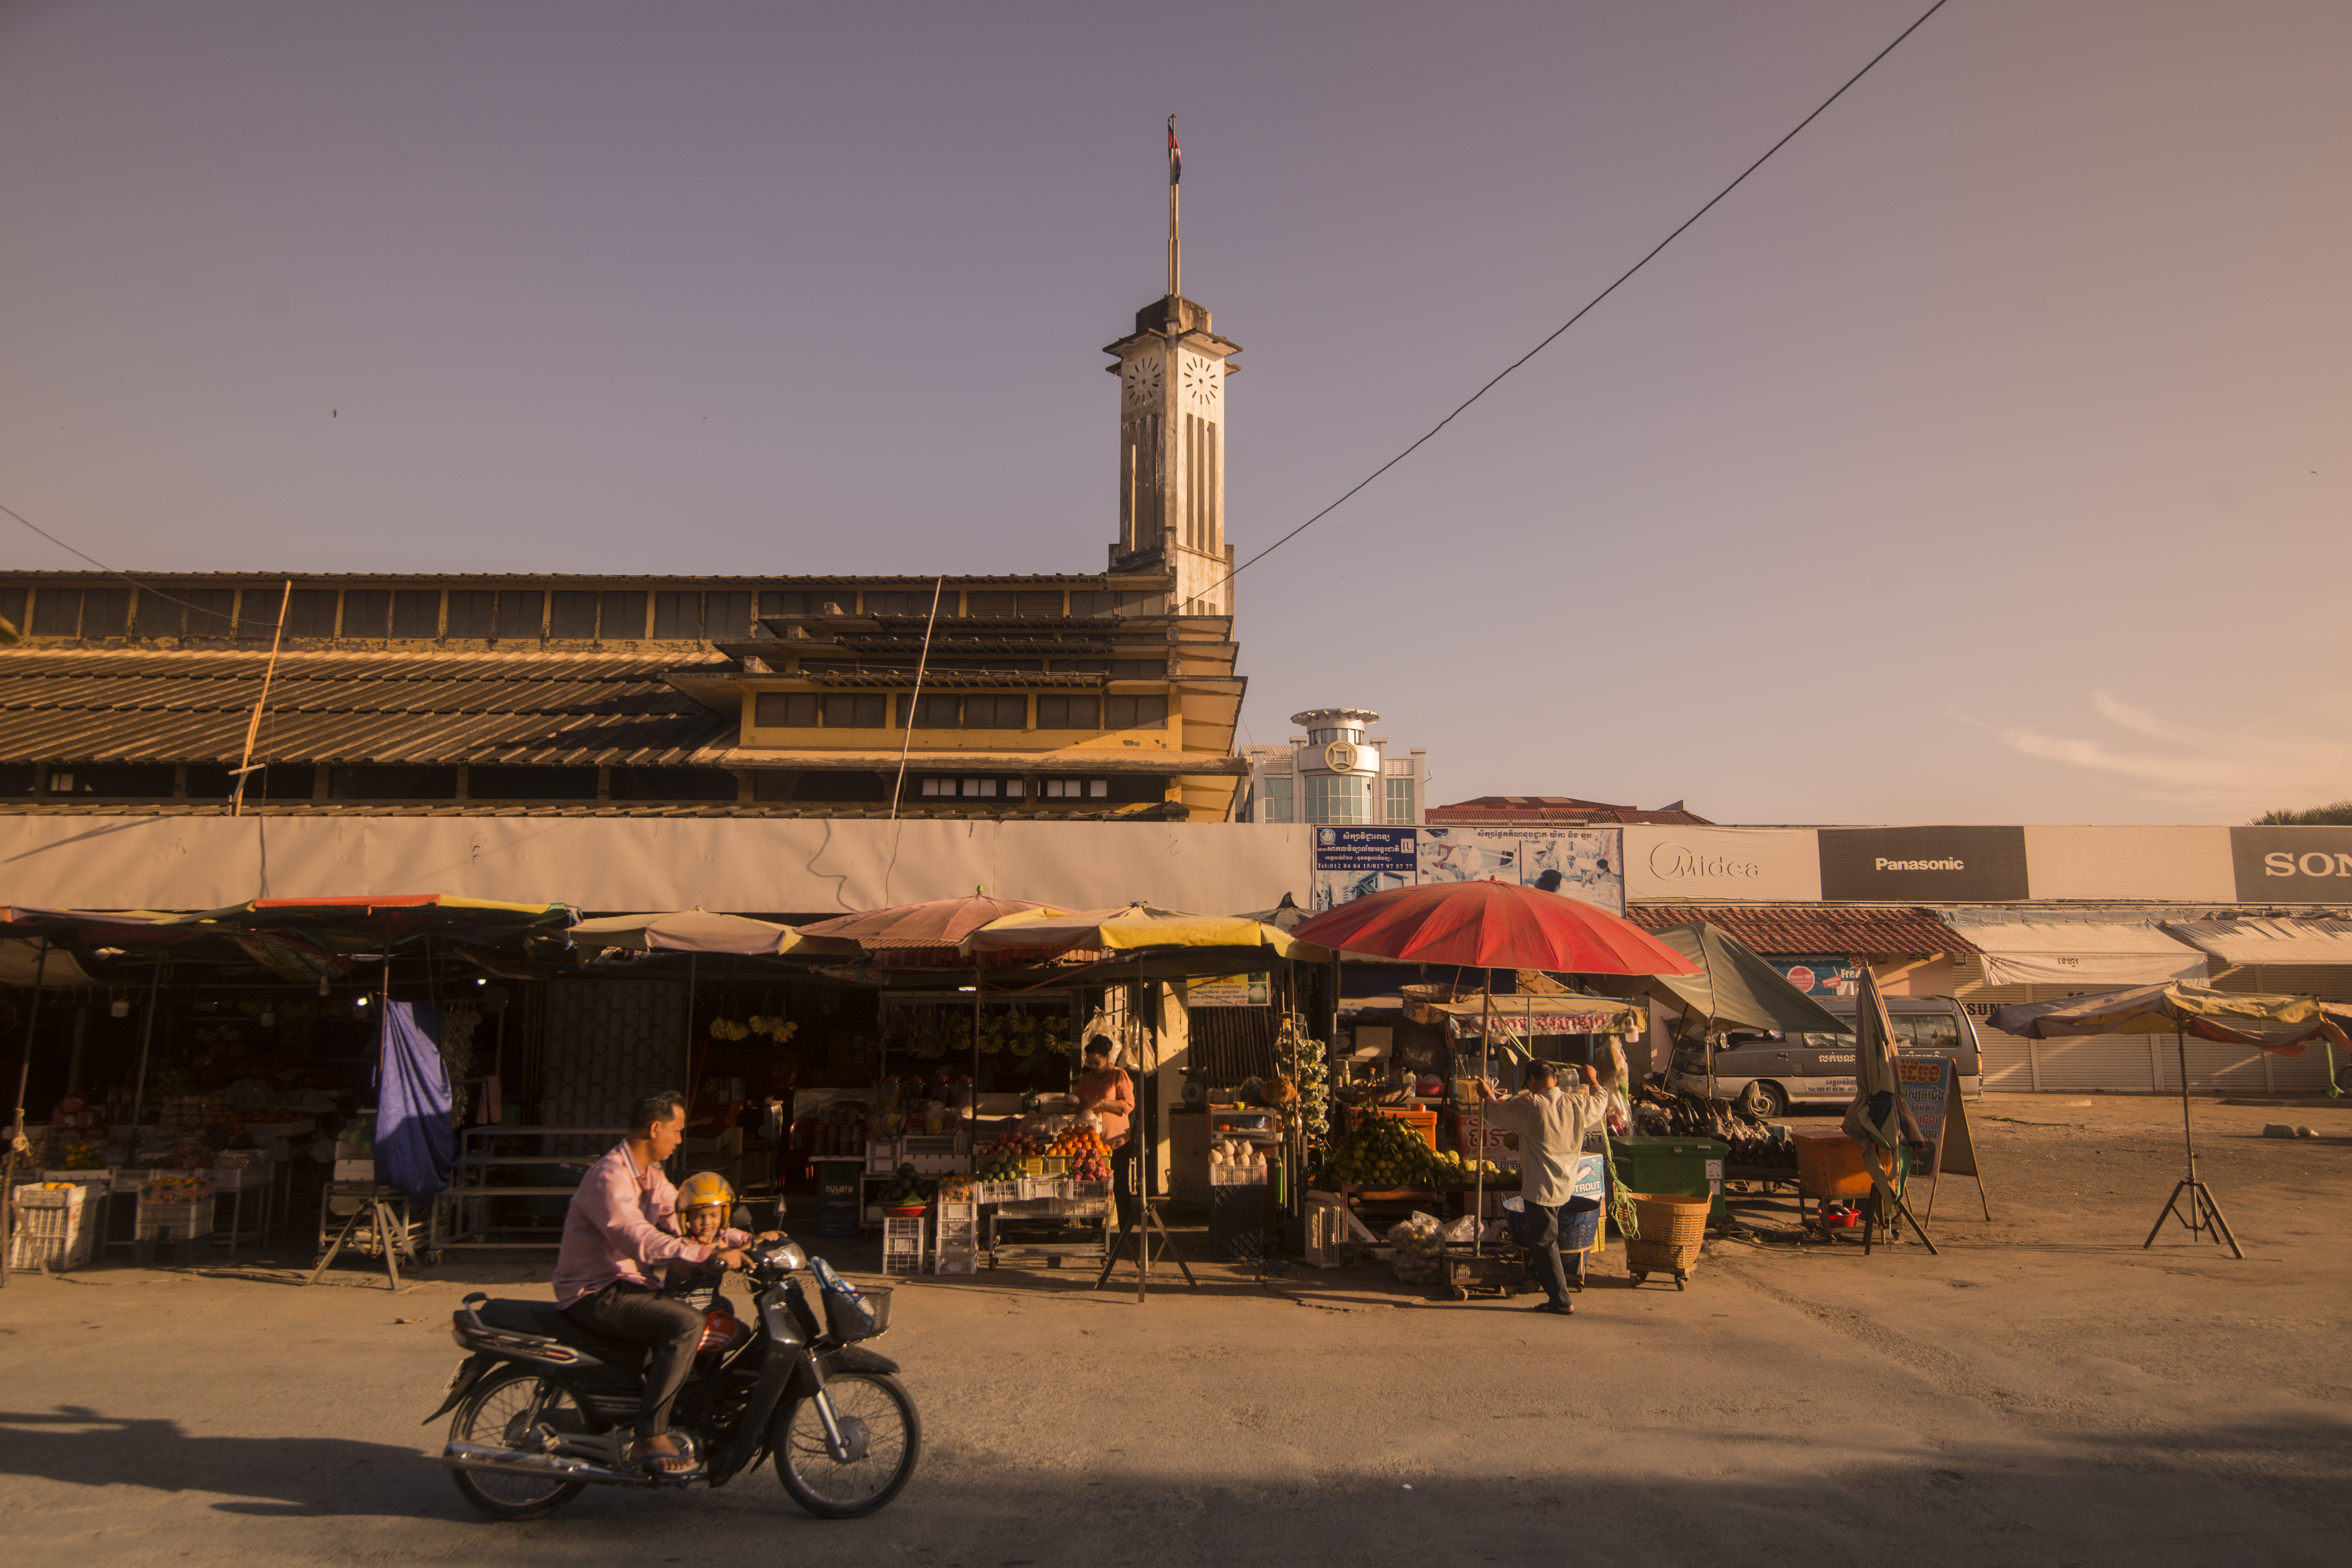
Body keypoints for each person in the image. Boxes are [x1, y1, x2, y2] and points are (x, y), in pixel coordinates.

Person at [553, 1091, 750, 1473]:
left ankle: (690, 1411)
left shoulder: (651, 1178)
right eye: (676, 1131)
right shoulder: (610, 1177)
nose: (679, 1140)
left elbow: (688, 1218)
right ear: (655, 1127)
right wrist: (701, 1255)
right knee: (686, 1324)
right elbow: (637, 1237)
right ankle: (650, 1435)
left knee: (715, 1313)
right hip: (596, 1292)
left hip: (629, 1287)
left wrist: (747, 1241)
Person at [1476, 1059, 1607, 1317]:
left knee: (1545, 1242)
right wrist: (1592, 1080)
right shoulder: (1576, 1103)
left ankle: (1561, 1299)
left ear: (1534, 1081)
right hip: (1566, 1184)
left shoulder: (1532, 1104)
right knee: (1547, 1239)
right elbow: (1601, 1101)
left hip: (1541, 1187)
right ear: (1555, 1080)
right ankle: (1538, 1277)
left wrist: (1488, 1096)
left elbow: (1497, 1113)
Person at [1073, 1036, 1135, 1145]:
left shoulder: (1119, 1075)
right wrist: (1071, 1106)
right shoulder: (1085, 1079)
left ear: (1107, 1057)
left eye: (1097, 1062)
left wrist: (1102, 1102)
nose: (1093, 1066)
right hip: (1090, 1142)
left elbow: (1129, 1105)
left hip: (1116, 1141)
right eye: (1090, 1062)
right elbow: (1079, 1108)